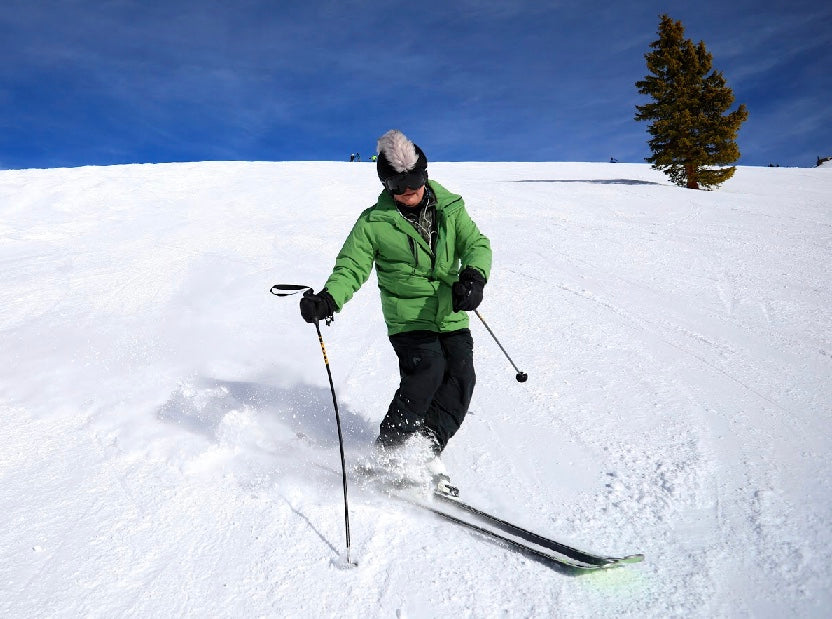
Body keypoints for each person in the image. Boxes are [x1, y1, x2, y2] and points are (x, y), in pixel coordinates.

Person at [299, 129, 491, 483]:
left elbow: (476, 243)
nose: (407, 194)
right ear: (387, 186)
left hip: (450, 313)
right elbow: (351, 267)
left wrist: (474, 277)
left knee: (461, 377)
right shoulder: (373, 223)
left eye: (413, 184)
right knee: (428, 372)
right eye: (397, 188)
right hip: (408, 319)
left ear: (424, 176)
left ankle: (422, 448)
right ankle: (387, 453)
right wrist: (328, 299)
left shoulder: (450, 207)